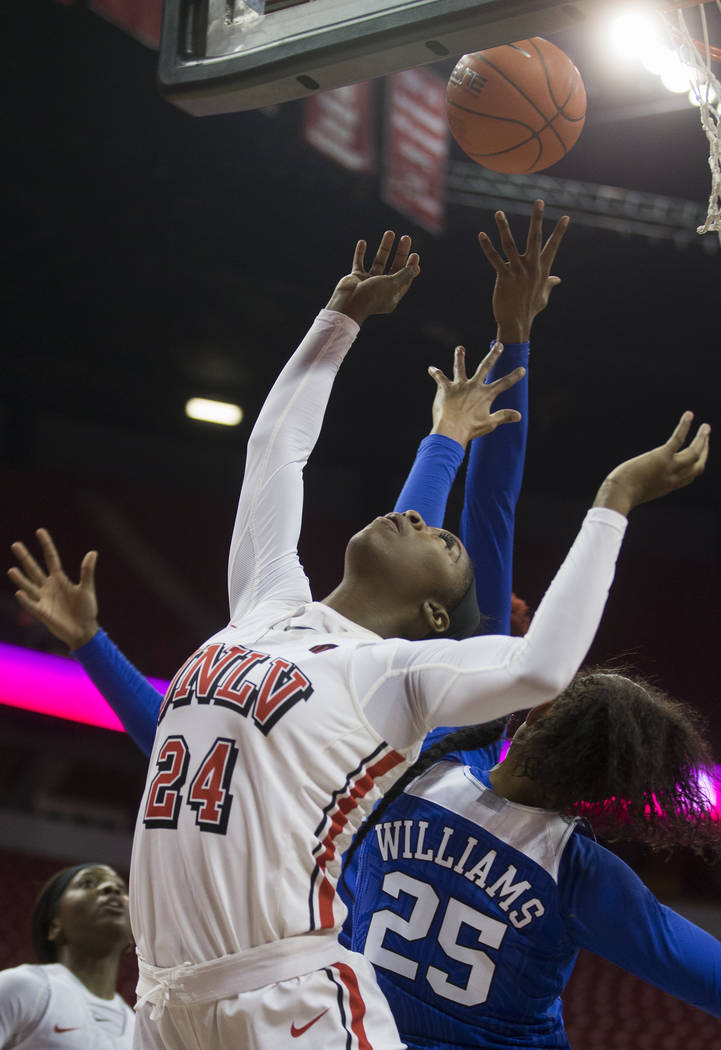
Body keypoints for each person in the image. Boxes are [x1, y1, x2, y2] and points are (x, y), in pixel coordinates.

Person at [7, 227, 709, 1049]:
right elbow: (278, 454)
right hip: (168, 996)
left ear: (439, 628)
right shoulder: (270, 608)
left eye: (435, 541)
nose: (417, 517)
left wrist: (609, 499)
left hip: (287, 996)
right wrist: (344, 324)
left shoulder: (408, 708)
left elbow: (514, 603)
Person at [345, 672, 721, 1048]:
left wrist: (512, 647)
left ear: (538, 713)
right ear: (610, 788)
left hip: (356, 1033)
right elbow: (708, 975)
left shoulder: (424, 765)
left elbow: (478, 692)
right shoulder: (578, 873)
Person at [0, 863, 135, 1048]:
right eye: (88, 883)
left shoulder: (138, 1027)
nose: (111, 889)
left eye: (121, 889)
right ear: (55, 926)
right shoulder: (22, 987)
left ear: (131, 939)